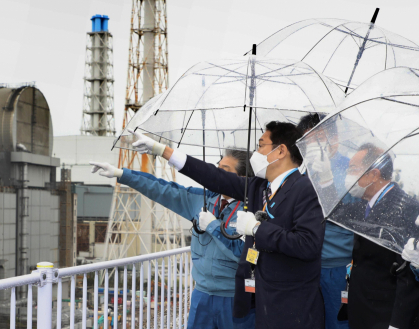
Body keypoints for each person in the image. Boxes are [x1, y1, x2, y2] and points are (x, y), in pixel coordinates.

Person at [129, 121, 326, 328]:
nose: (255, 154)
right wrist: (163, 151)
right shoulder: (260, 187)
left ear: (281, 151)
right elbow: (214, 177)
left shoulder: (306, 189)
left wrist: (257, 229)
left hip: (292, 306)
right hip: (262, 301)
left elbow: (308, 245)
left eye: (261, 146)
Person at [90, 149, 255, 329]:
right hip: (201, 294)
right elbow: (162, 189)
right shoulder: (203, 199)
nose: (216, 174)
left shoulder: (252, 211)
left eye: (224, 170)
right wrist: (122, 174)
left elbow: (243, 254)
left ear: (242, 177)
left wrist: (213, 227)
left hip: (235, 297)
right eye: (217, 168)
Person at [330, 144, 419, 329]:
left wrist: (398, 324)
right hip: (361, 310)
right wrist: (324, 178)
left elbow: (408, 274)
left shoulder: (405, 207)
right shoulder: (364, 204)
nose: (348, 176)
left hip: (384, 315)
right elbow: (334, 212)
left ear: (374, 174)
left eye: (353, 169)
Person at [298, 113, 353, 329]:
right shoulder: (302, 172)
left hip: (337, 265)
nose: (312, 145)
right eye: (307, 140)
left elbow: (343, 212)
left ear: (334, 137)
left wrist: (326, 176)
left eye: (318, 137)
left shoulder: (352, 169)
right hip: (304, 263)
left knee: (337, 323)